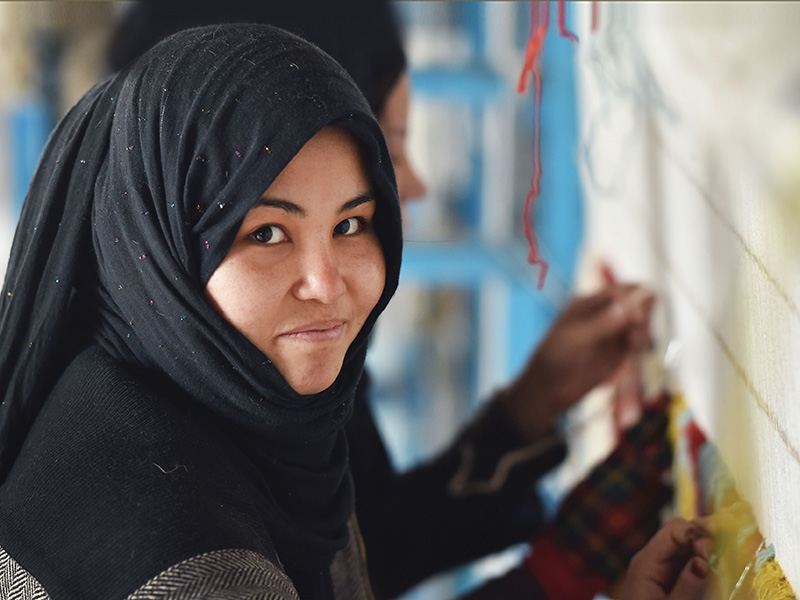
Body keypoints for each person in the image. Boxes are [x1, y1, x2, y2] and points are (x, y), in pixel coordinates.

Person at [103, 2, 661, 598]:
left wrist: (531, 405)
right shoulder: (168, 540)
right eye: (389, 151)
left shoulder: (260, 376)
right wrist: (561, 573)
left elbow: (363, 550)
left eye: (351, 220)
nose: (413, 186)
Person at [0, 24, 403, 599]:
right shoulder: (207, 576)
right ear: (160, 252)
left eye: (349, 225)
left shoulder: (106, 399)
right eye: (266, 233)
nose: (325, 283)